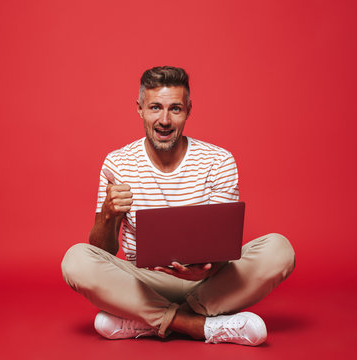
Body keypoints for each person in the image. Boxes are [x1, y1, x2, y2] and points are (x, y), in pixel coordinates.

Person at [61, 66, 295, 346]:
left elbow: (222, 244)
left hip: (209, 282)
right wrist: (109, 215)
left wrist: (208, 269)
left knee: (280, 249)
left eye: (175, 109)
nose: (164, 120)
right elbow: (103, 252)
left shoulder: (218, 161)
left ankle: (149, 321)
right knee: (76, 259)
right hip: (143, 282)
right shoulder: (118, 163)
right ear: (139, 109)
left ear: (189, 110)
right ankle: (200, 326)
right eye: (155, 107)